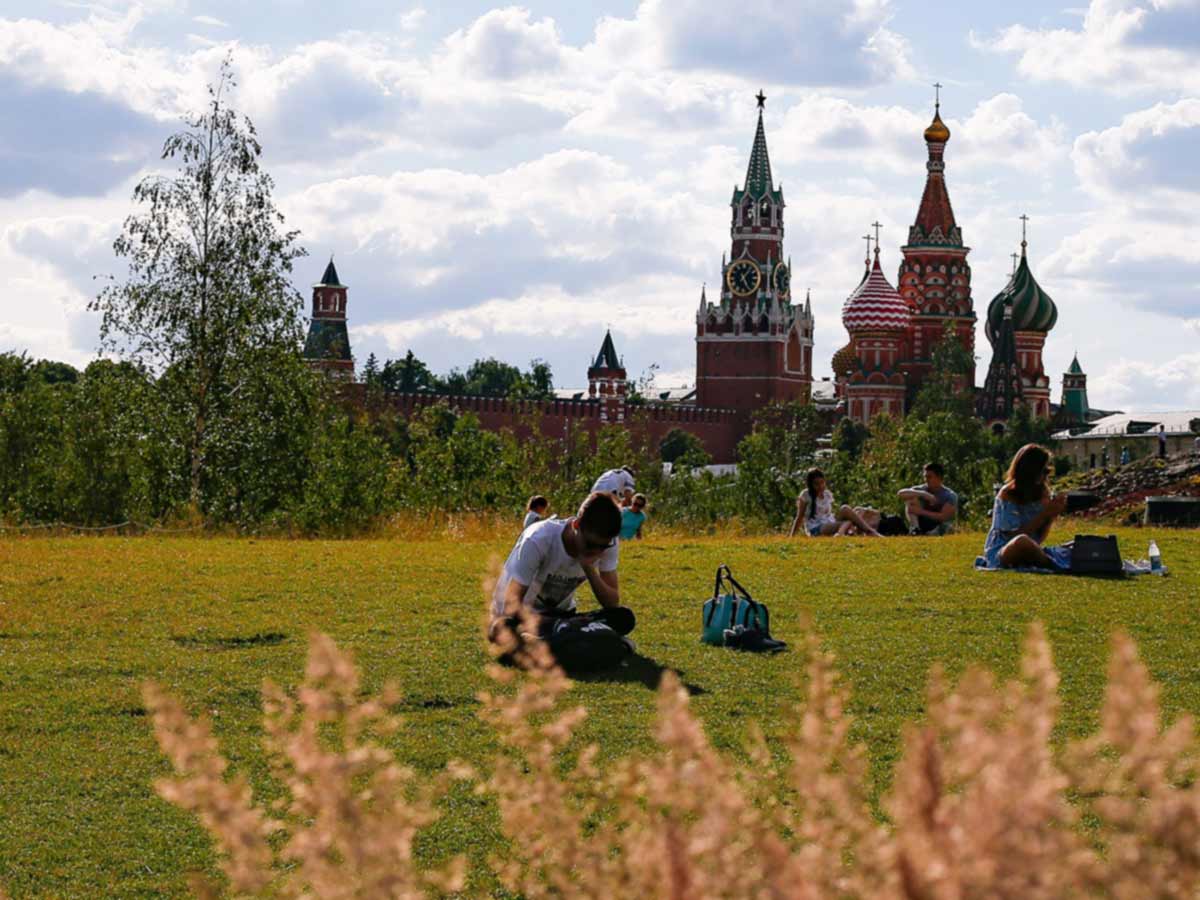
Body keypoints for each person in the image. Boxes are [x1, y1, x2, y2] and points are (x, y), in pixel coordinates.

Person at [490, 492, 633, 653]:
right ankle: (576, 637)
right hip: (519, 615)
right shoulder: (539, 539)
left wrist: (588, 567)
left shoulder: (608, 542)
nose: (597, 551)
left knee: (622, 618)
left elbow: (612, 603)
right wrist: (557, 622)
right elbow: (511, 604)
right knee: (504, 629)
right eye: (590, 544)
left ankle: (559, 639)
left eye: (603, 546)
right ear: (576, 525)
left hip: (563, 616)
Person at [979, 443, 1071, 570]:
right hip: (1003, 551)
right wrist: (1045, 514)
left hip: (1030, 547)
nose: (1045, 476)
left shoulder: (1042, 491)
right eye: (1043, 471)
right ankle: (1053, 564)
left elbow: (1039, 538)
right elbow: (1013, 536)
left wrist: (1051, 515)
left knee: (1074, 545)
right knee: (1021, 541)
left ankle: (1050, 561)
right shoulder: (1008, 494)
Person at [789, 468, 881, 537]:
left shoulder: (827, 494)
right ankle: (842, 534)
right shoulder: (806, 495)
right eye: (816, 484)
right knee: (848, 521)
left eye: (822, 483)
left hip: (830, 521)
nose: (820, 486)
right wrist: (791, 536)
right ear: (811, 485)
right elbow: (799, 517)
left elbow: (830, 514)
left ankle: (868, 531)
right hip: (816, 527)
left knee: (846, 509)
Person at [898, 462, 958, 535]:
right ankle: (916, 529)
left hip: (938, 524)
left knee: (945, 527)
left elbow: (943, 517)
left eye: (929, 477)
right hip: (922, 522)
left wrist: (920, 511)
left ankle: (931, 532)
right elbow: (901, 493)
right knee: (911, 498)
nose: (926, 480)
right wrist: (924, 494)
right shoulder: (922, 489)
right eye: (925, 477)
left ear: (938, 477)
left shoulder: (950, 495)